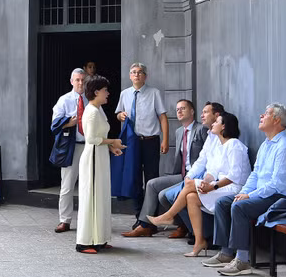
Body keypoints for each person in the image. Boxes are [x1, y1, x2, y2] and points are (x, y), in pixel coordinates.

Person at [203, 103, 286, 276]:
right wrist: (244, 193)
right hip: (265, 194)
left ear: (277, 120)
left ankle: (242, 260)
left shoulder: (284, 147)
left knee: (240, 207)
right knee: (223, 202)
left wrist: (249, 195)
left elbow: (277, 184)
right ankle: (226, 253)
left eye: (266, 114)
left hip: (281, 198)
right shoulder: (266, 145)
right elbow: (255, 175)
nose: (261, 116)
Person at [148, 112, 251, 257]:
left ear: (224, 127)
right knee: (191, 197)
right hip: (220, 186)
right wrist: (205, 182)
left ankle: (169, 215)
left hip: (234, 188)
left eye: (217, 122)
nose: (213, 124)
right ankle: (199, 242)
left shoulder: (234, 144)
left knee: (190, 186)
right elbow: (212, 171)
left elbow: (234, 176)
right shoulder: (221, 146)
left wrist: (212, 186)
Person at [121, 99, 207, 237]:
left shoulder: (201, 129)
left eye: (183, 108)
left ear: (192, 111)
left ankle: (182, 226)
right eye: (177, 109)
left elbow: (207, 157)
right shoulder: (179, 131)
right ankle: (145, 225)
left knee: (165, 195)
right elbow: (179, 159)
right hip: (183, 175)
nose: (179, 111)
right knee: (152, 184)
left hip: (198, 176)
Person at [158, 102, 225, 240]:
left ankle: (201, 234)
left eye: (206, 112)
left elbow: (219, 169)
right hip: (199, 176)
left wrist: (208, 182)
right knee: (167, 195)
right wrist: (189, 177)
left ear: (217, 116)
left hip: (218, 182)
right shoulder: (210, 136)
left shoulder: (228, 142)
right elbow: (202, 161)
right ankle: (195, 232)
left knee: (187, 196)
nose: (202, 115)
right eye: (177, 109)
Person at [76, 75, 126, 254]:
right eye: (105, 90)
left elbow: (98, 137)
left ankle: (99, 238)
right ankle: (84, 242)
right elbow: (91, 138)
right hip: (93, 158)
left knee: (101, 197)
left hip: (100, 156)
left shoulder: (98, 110)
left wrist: (112, 146)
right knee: (91, 197)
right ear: (96, 92)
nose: (108, 94)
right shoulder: (91, 111)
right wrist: (114, 141)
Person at [113, 63, 168, 219]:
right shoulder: (125, 94)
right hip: (132, 142)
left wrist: (165, 140)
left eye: (140, 72)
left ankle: (151, 216)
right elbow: (118, 114)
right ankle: (139, 215)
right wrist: (120, 116)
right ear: (130, 76)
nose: (136, 75)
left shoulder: (154, 93)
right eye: (133, 72)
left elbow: (163, 117)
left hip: (150, 141)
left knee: (151, 178)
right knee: (134, 177)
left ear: (145, 76)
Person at [51, 68, 87, 233]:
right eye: (77, 80)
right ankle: (64, 220)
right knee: (67, 185)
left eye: (83, 80)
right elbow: (54, 124)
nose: (80, 83)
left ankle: (86, 220)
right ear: (72, 81)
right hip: (71, 146)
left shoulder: (91, 99)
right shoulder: (64, 100)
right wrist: (68, 123)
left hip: (89, 146)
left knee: (88, 185)